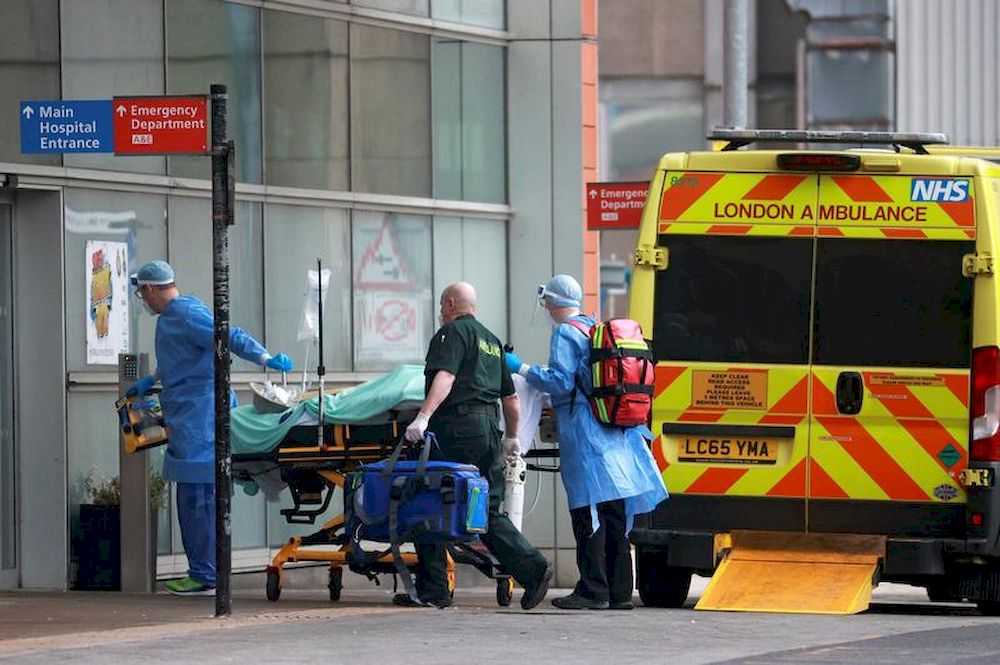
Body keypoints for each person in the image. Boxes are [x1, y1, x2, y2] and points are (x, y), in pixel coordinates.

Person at [125, 260, 294, 596]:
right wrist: (153, 379)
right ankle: (205, 571)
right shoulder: (172, 319)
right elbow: (180, 359)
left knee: (199, 502)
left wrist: (265, 359)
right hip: (188, 418)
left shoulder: (186, 314)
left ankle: (206, 574)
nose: (143, 302)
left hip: (199, 420)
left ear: (149, 288)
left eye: (142, 295)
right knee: (195, 500)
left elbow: (228, 335)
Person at [505, 274, 667, 610]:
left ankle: (593, 590)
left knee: (587, 511)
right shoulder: (593, 327)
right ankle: (620, 592)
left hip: (585, 434)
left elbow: (561, 383)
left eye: (546, 300)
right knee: (614, 514)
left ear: (552, 302)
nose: (545, 307)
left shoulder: (565, 332)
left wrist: (521, 368)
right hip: (616, 433)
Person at [402, 281, 554, 609]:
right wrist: (512, 436)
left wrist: (423, 416)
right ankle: (534, 568)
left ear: (453, 303)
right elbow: (511, 397)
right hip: (487, 429)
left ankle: (435, 589)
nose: (441, 312)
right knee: (486, 508)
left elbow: (446, 377)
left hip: (455, 428)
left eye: (443, 305)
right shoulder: (491, 340)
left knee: (428, 500)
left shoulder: (452, 335)